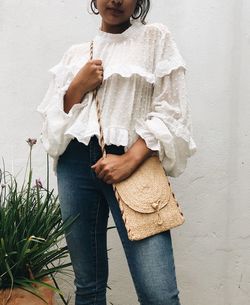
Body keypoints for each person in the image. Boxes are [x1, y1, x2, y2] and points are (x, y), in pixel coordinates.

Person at [37, 0, 197, 304]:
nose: (115, 0)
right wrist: (76, 87)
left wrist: (130, 159)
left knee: (159, 294)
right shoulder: (76, 55)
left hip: (133, 163)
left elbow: (173, 111)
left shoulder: (155, 38)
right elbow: (53, 129)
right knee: (88, 287)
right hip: (75, 165)